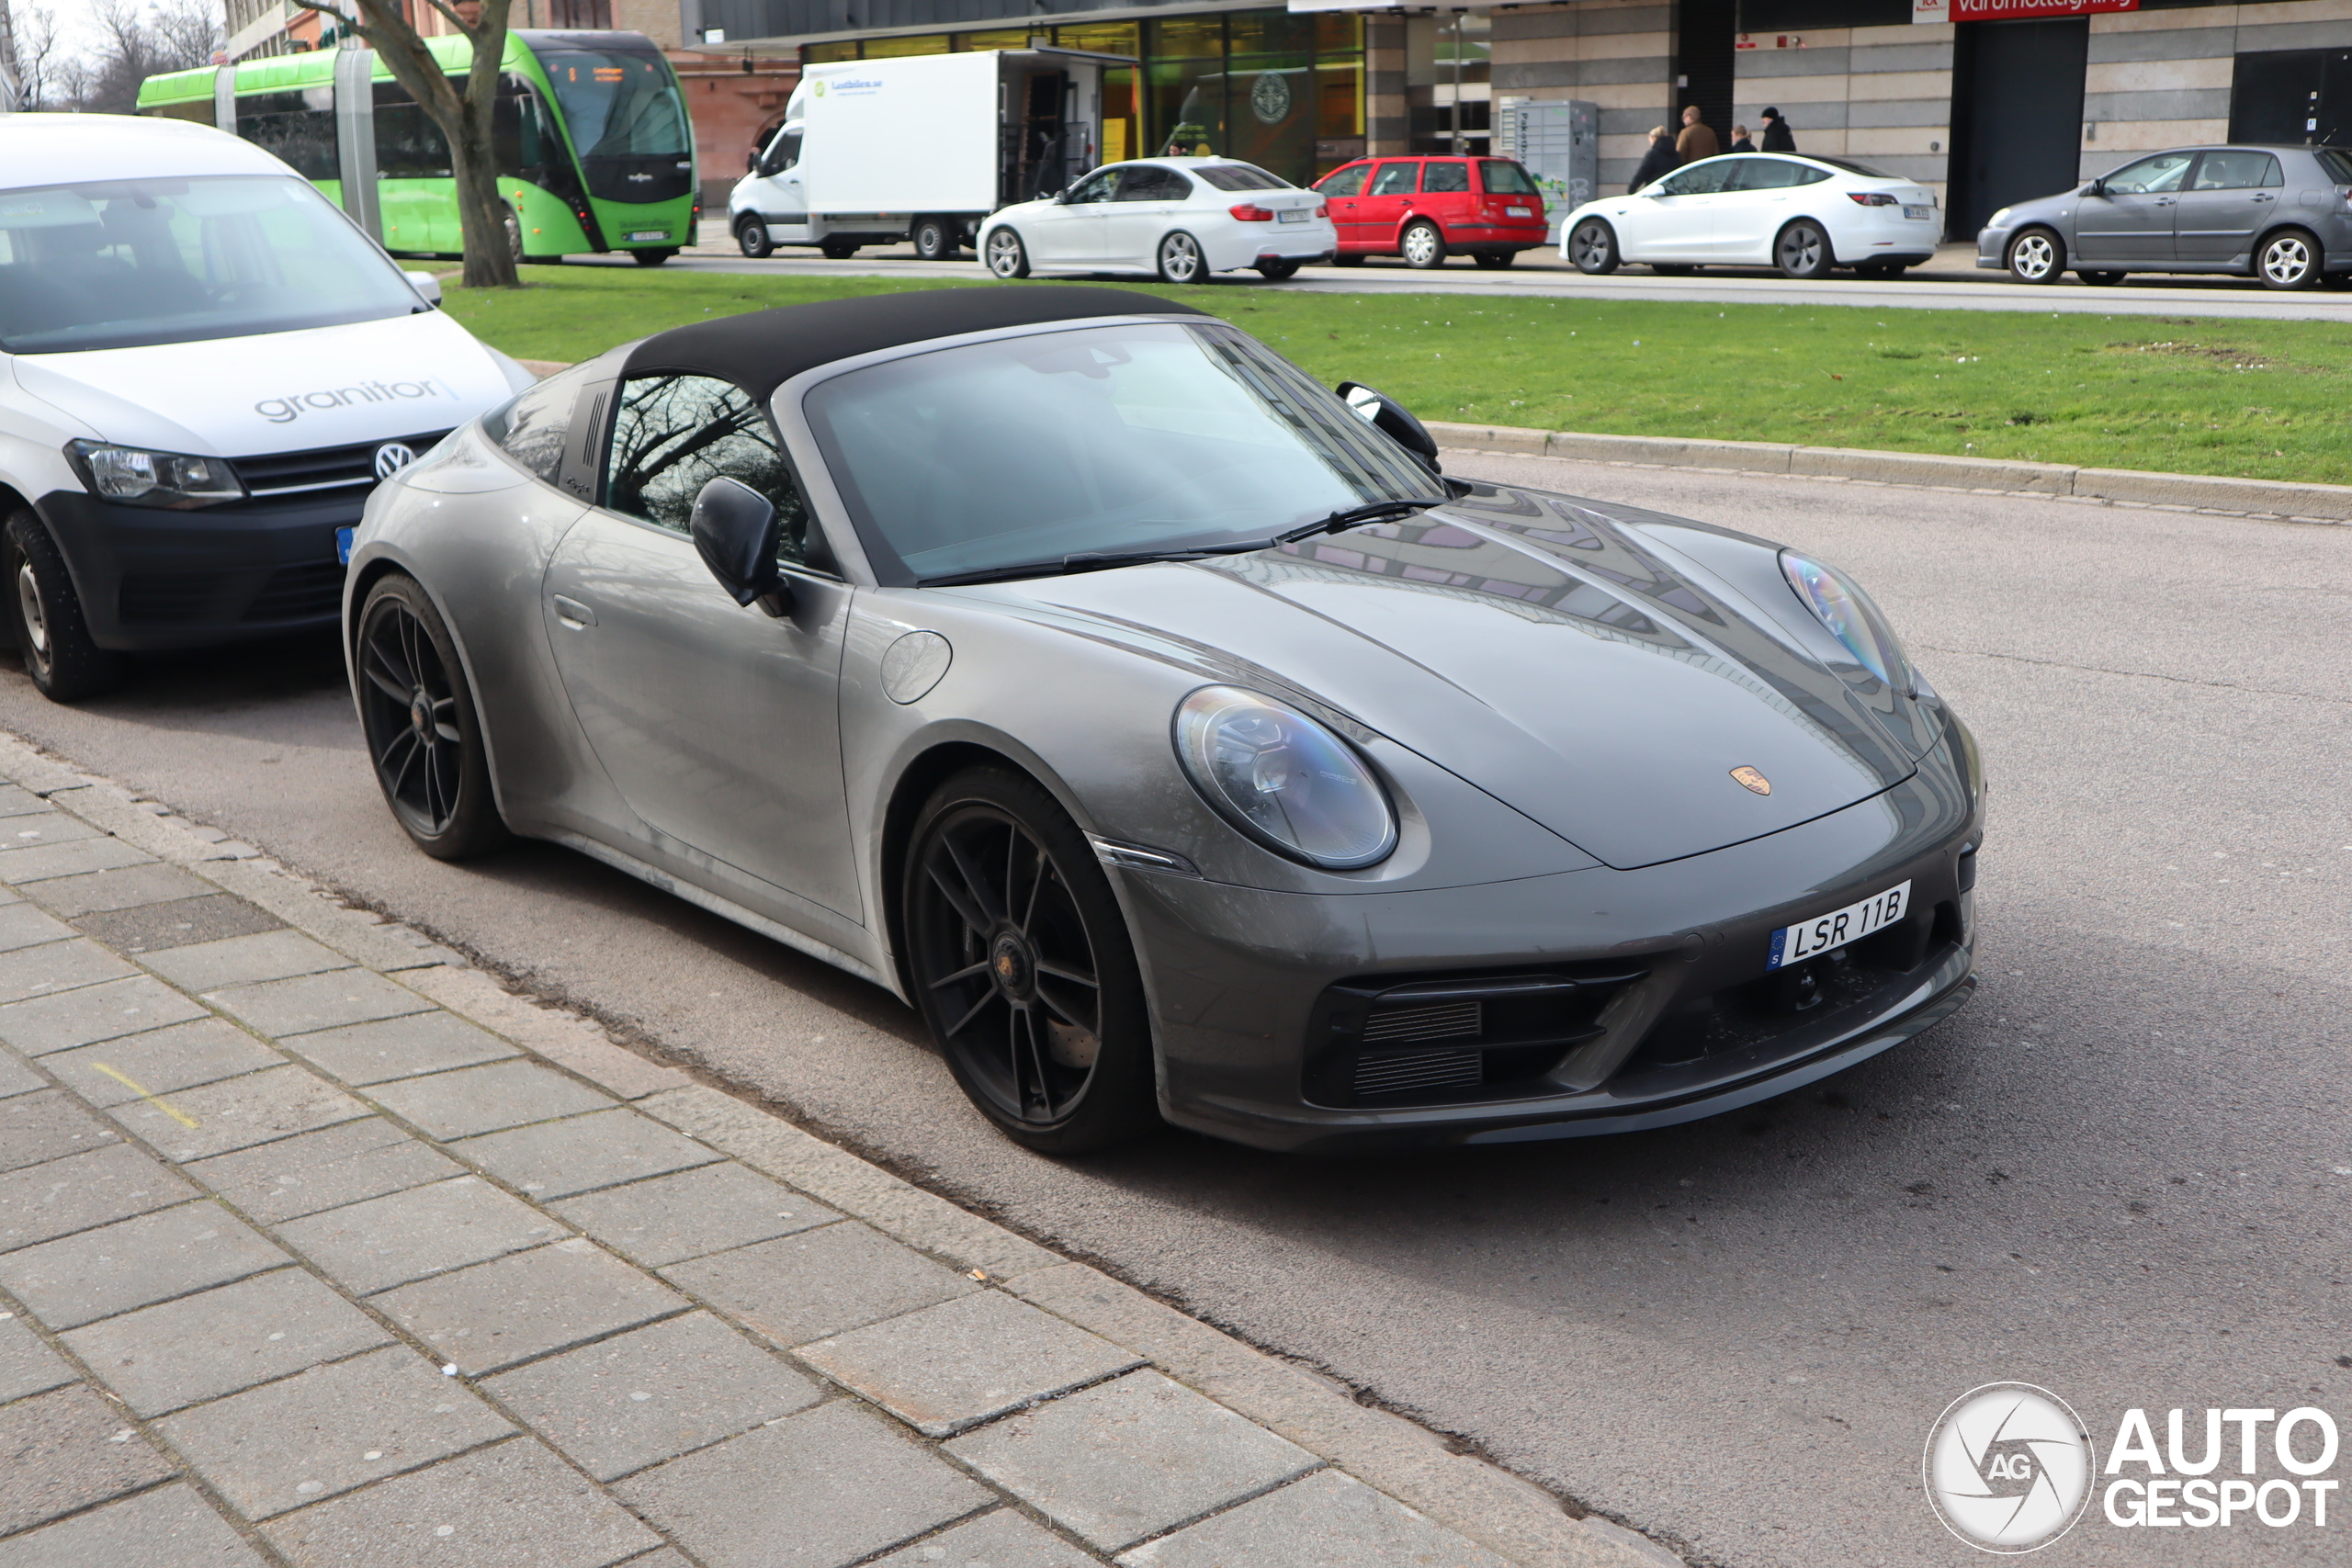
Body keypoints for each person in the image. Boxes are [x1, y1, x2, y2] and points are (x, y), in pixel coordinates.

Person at [1628, 127, 1679, 194]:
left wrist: (1632, 188)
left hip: (1655, 192)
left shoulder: (1653, 154)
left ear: (1654, 139)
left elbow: (1642, 173)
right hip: (1674, 191)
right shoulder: (1676, 154)